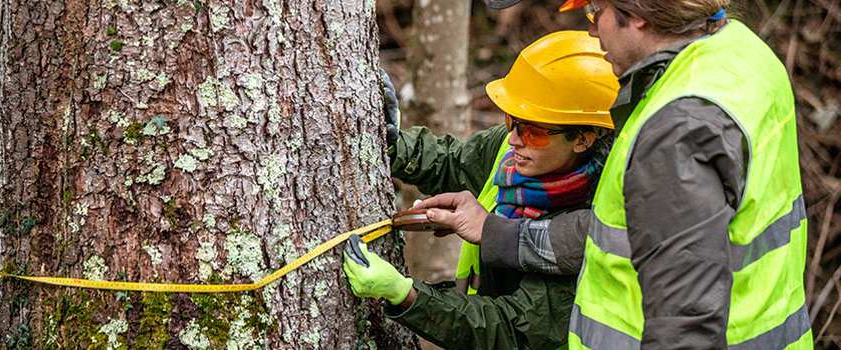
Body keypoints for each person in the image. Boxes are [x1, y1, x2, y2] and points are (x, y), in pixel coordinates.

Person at [417, 0, 814, 348]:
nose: (591, 28)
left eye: (596, 10)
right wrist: (499, 234)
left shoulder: (680, 129)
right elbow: (618, 231)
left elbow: (685, 323)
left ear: (636, 15)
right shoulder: (741, 53)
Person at [343, 30, 619, 349]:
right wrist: (391, 146)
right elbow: (451, 161)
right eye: (512, 120)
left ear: (584, 138)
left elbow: (506, 329)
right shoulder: (509, 152)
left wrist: (404, 295)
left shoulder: (591, 226)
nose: (514, 137)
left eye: (533, 131)